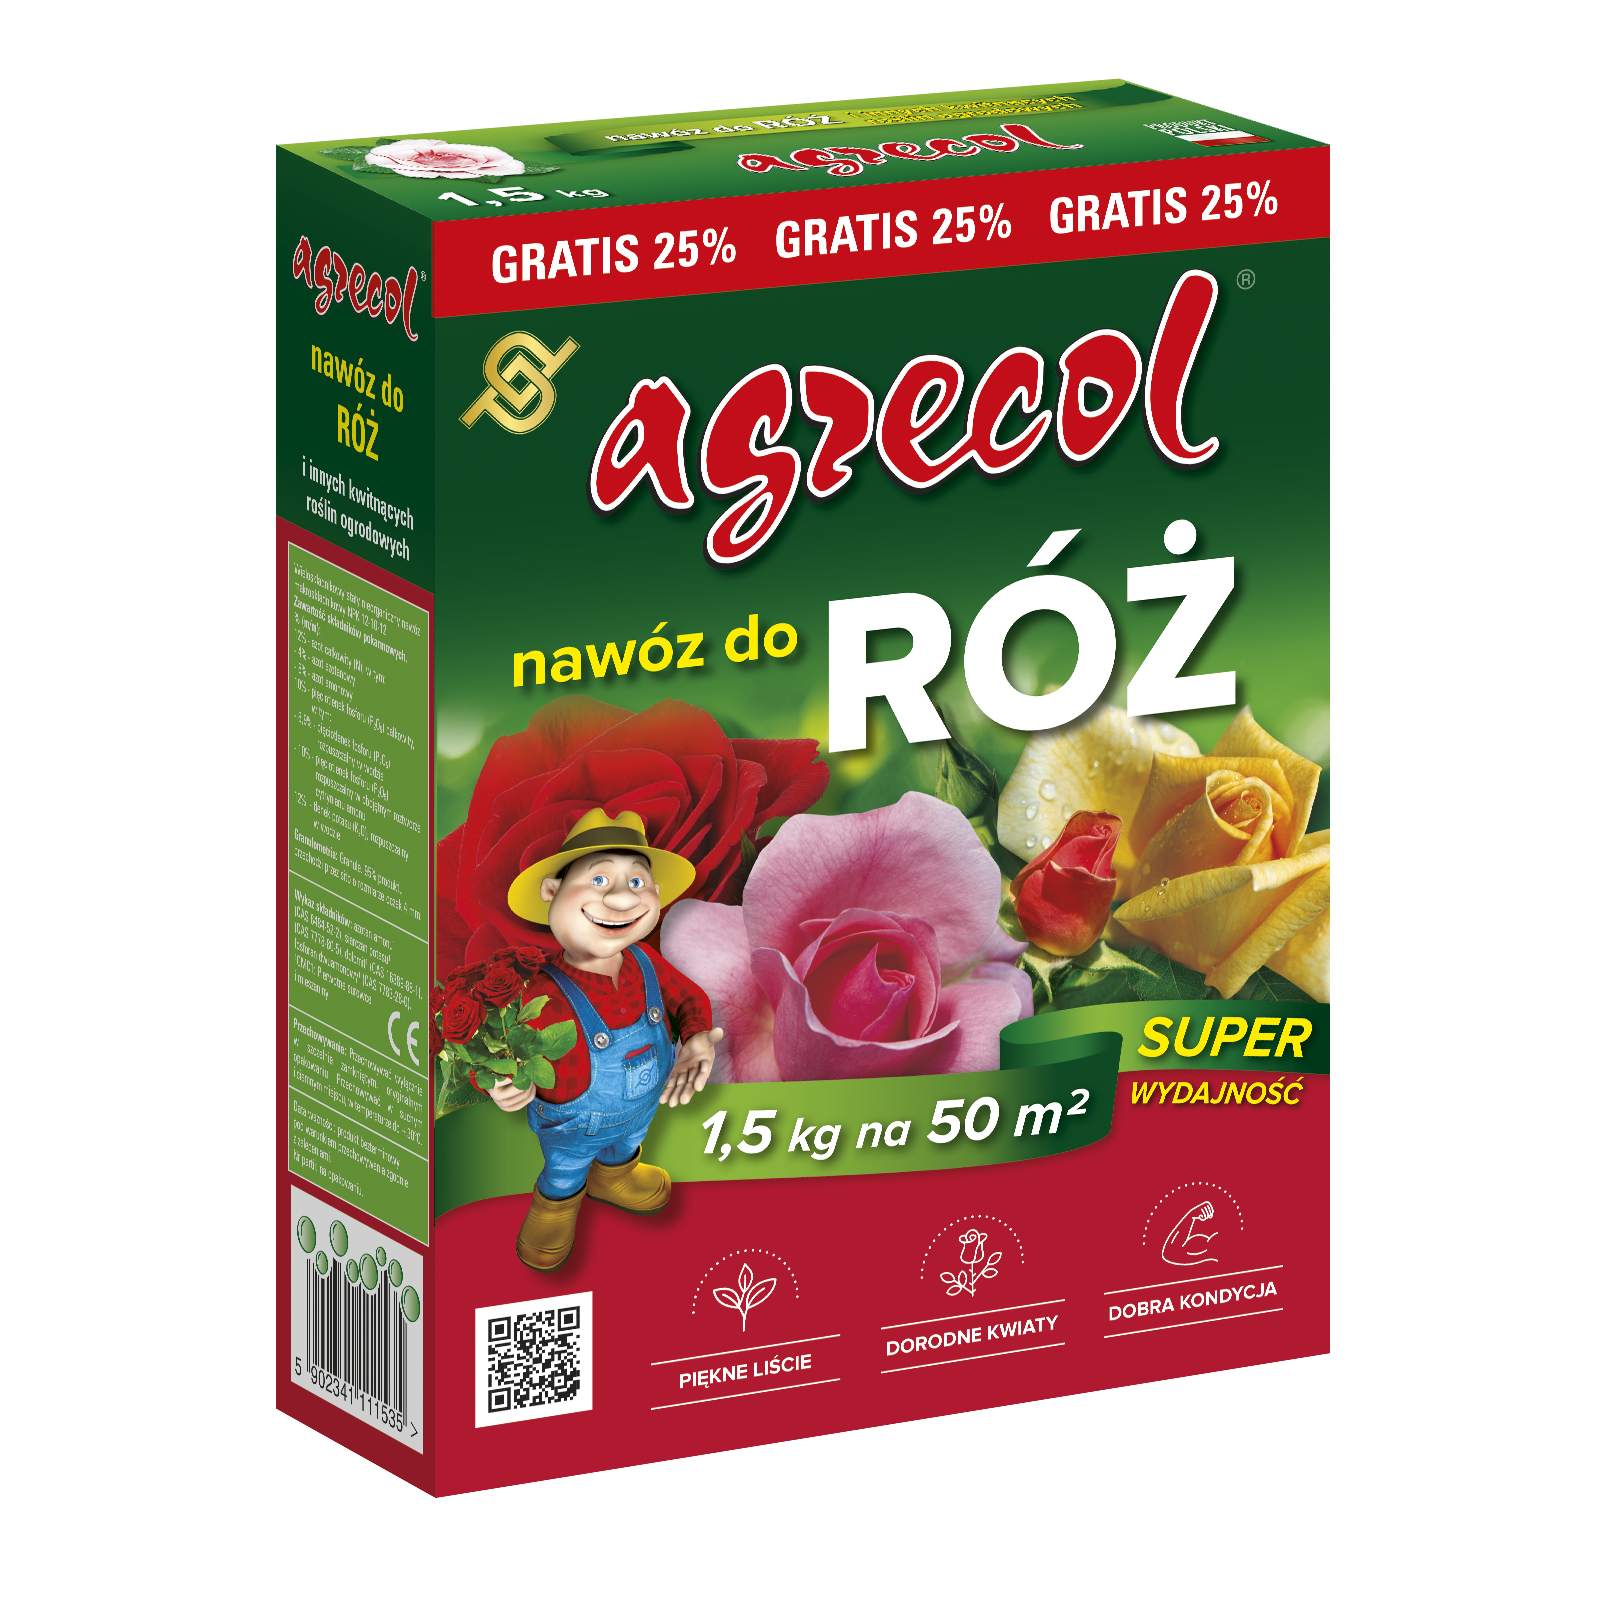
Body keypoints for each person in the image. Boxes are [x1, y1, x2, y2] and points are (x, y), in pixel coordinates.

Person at [484, 808, 723, 1271]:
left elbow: (688, 997)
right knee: (566, 1168)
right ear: (552, 892)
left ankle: (616, 1176)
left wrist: (696, 1037)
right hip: (573, 1125)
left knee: (629, 1141)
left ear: (655, 895)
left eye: (637, 882)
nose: (621, 898)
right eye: (598, 880)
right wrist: (501, 1083)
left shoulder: (646, 962)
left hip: (640, 1109)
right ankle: (555, 1206)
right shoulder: (540, 989)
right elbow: (497, 1044)